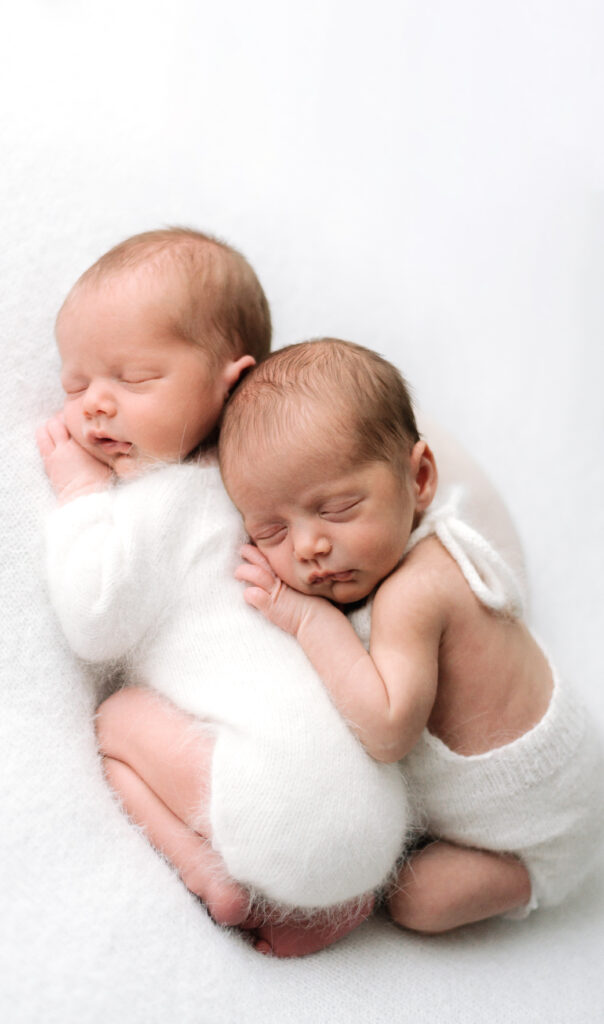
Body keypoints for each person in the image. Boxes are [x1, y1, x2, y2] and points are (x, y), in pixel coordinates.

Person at [36, 229, 410, 957]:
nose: (95, 408)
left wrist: (81, 495)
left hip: (272, 810)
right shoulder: (277, 503)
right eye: (75, 386)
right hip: (379, 821)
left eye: (136, 379)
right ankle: (335, 895)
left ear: (231, 384)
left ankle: (215, 879)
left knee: (115, 721)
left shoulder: (163, 499)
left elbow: (93, 624)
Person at [219, 337, 604, 934]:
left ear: (419, 477)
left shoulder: (416, 591)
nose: (307, 547)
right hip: (564, 770)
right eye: (271, 531)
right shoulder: (393, 562)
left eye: (339, 508)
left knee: (415, 902)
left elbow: (390, 730)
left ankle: (535, 877)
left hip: (549, 823)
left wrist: (306, 619)